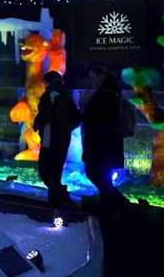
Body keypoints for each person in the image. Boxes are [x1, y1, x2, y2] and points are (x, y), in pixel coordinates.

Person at [79, 66, 130, 219]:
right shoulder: (112, 92)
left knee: (94, 173)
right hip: (108, 143)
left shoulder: (105, 95)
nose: (91, 80)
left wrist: (81, 116)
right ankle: (106, 205)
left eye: (93, 76)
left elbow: (96, 118)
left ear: (101, 77)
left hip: (100, 144)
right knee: (102, 175)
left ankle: (120, 202)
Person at [33, 70, 80, 211]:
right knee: (56, 171)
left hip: (50, 139)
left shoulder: (50, 94)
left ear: (46, 82)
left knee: (45, 170)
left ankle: (63, 197)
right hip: (64, 140)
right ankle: (56, 202)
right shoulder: (67, 95)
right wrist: (66, 129)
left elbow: (45, 115)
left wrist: (37, 124)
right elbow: (76, 118)